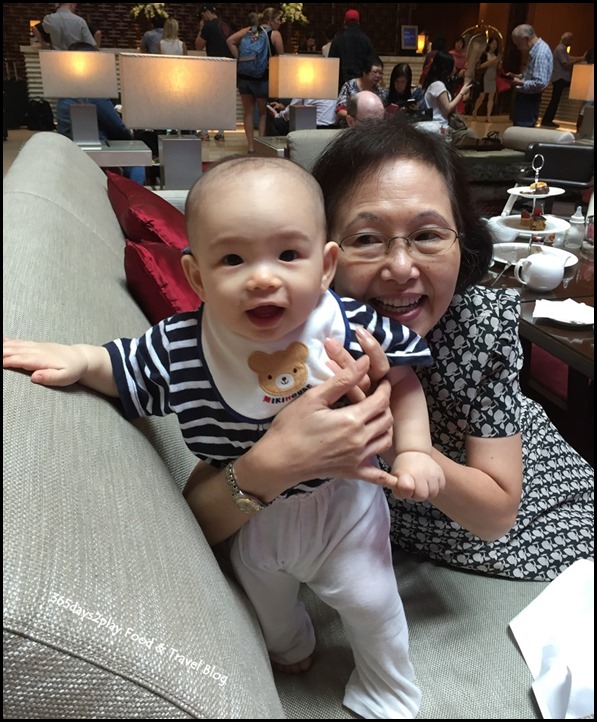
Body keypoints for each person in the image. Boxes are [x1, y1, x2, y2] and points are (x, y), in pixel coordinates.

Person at [3, 154, 448, 720]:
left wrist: (414, 449)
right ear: (196, 277)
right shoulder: (185, 346)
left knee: (372, 604)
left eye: (289, 254)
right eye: (233, 259)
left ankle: (389, 691)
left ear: (326, 265)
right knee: (268, 600)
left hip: (345, 510)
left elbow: (404, 382)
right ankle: (292, 644)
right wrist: (77, 358)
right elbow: (123, 368)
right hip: (255, 519)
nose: (263, 277)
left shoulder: (349, 325)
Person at [181, 116, 594, 585]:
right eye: (366, 239)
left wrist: (393, 432)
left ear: (464, 240)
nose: (401, 268)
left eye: (428, 235)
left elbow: (497, 515)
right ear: (320, 257)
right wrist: (275, 460)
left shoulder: (478, 326)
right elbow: (199, 514)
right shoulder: (286, 331)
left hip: (535, 507)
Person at [55, 42, 145, 185]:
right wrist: (130, 135)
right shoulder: (94, 94)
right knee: (138, 157)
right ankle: (135, 196)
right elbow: (117, 128)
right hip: (98, 153)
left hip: (68, 151)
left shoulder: (63, 96)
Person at [226, 9, 284, 154]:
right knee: (263, 113)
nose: (280, 23)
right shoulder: (275, 34)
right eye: (278, 19)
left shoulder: (249, 30)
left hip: (244, 76)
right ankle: (261, 145)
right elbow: (281, 58)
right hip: (261, 77)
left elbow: (230, 41)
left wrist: (239, 57)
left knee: (248, 113)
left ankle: (251, 146)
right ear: (271, 20)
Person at [194, 4, 235, 142]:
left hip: (213, 68)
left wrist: (201, 29)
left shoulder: (208, 26)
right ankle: (221, 133)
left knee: (207, 100)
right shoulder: (227, 26)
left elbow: (198, 46)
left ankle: (204, 132)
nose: (202, 17)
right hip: (228, 67)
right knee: (222, 101)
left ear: (207, 12)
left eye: (202, 15)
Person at [423, 50, 476, 144]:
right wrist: (462, 93)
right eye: (453, 66)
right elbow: (447, 109)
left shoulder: (434, 83)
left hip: (439, 126)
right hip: (440, 128)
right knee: (470, 134)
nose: (455, 69)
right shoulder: (438, 85)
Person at [506, 24, 553, 128]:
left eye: (518, 44)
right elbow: (531, 74)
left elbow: (540, 82)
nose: (518, 48)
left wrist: (519, 82)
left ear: (526, 39)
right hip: (527, 98)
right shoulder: (536, 50)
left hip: (529, 100)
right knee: (519, 128)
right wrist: (517, 76)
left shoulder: (540, 53)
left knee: (522, 130)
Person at [541, 32, 587, 127]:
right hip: (560, 78)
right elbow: (565, 64)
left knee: (555, 100)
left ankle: (548, 119)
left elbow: (569, 58)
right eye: (571, 40)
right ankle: (547, 119)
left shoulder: (562, 49)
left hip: (560, 78)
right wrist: (580, 59)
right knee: (554, 100)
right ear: (566, 40)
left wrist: (579, 58)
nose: (571, 42)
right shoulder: (560, 49)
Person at [328, 9, 374, 91]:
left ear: (345, 23)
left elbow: (331, 66)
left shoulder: (337, 40)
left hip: (341, 86)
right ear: (358, 23)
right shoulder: (366, 40)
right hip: (361, 86)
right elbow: (371, 64)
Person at [336, 55, 387, 127]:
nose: (378, 76)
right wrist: (360, 117)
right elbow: (339, 110)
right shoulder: (349, 86)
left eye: (380, 73)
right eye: (375, 72)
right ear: (364, 72)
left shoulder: (380, 91)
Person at [265, 98, 337, 135]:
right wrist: (284, 109)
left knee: (277, 121)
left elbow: (288, 115)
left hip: (313, 128)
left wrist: (276, 114)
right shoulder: (330, 91)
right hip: (332, 127)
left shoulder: (304, 90)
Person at [472, 35, 501, 122]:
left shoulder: (496, 55)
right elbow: (480, 66)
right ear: (489, 44)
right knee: (482, 96)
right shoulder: (484, 54)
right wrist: (492, 61)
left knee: (491, 97)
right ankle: (475, 110)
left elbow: (499, 68)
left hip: (493, 77)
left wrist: (499, 62)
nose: (494, 45)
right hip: (485, 77)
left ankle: (488, 116)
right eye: (493, 43)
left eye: (495, 44)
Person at [449, 36, 468, 112]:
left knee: (460, 93)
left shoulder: (464, 55)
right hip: (452, 76)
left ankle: (459, 111)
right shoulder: (450, 54)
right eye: (457, 42)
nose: (459, 45)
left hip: (461, 76)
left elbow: (466, 65)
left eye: (461, 43)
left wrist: (463, 70)